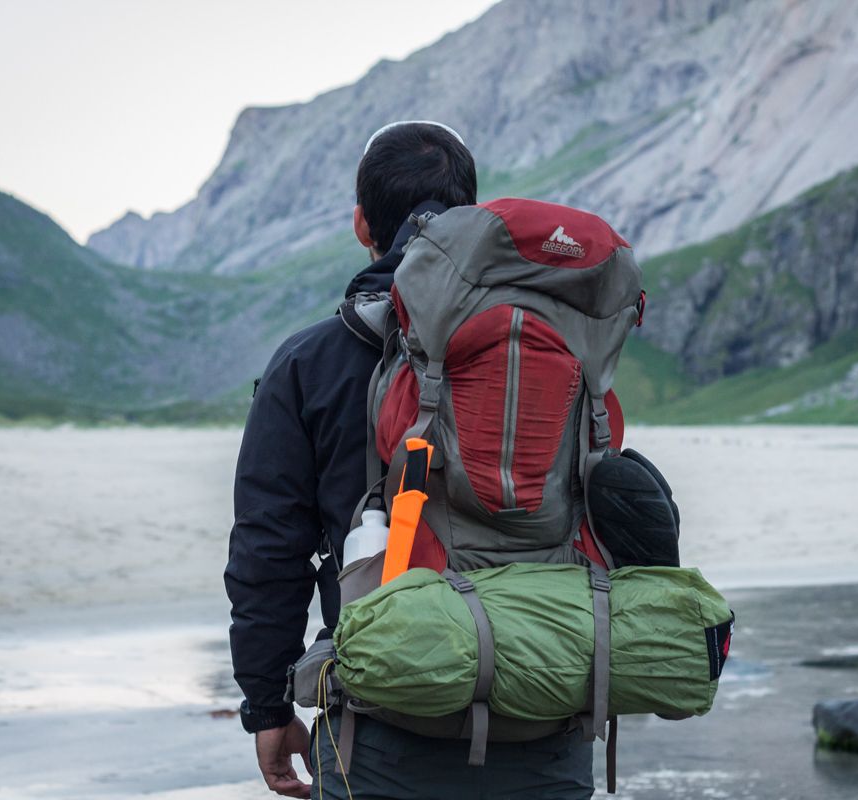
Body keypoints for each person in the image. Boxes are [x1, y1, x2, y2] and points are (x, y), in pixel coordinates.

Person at [224, 121, 596, 799]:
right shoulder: (552, 352)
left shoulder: (311, 364)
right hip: (548, 721)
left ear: (362, 224)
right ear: (474, 218)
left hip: (379, 738)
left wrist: (269, 706)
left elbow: (270, 554)